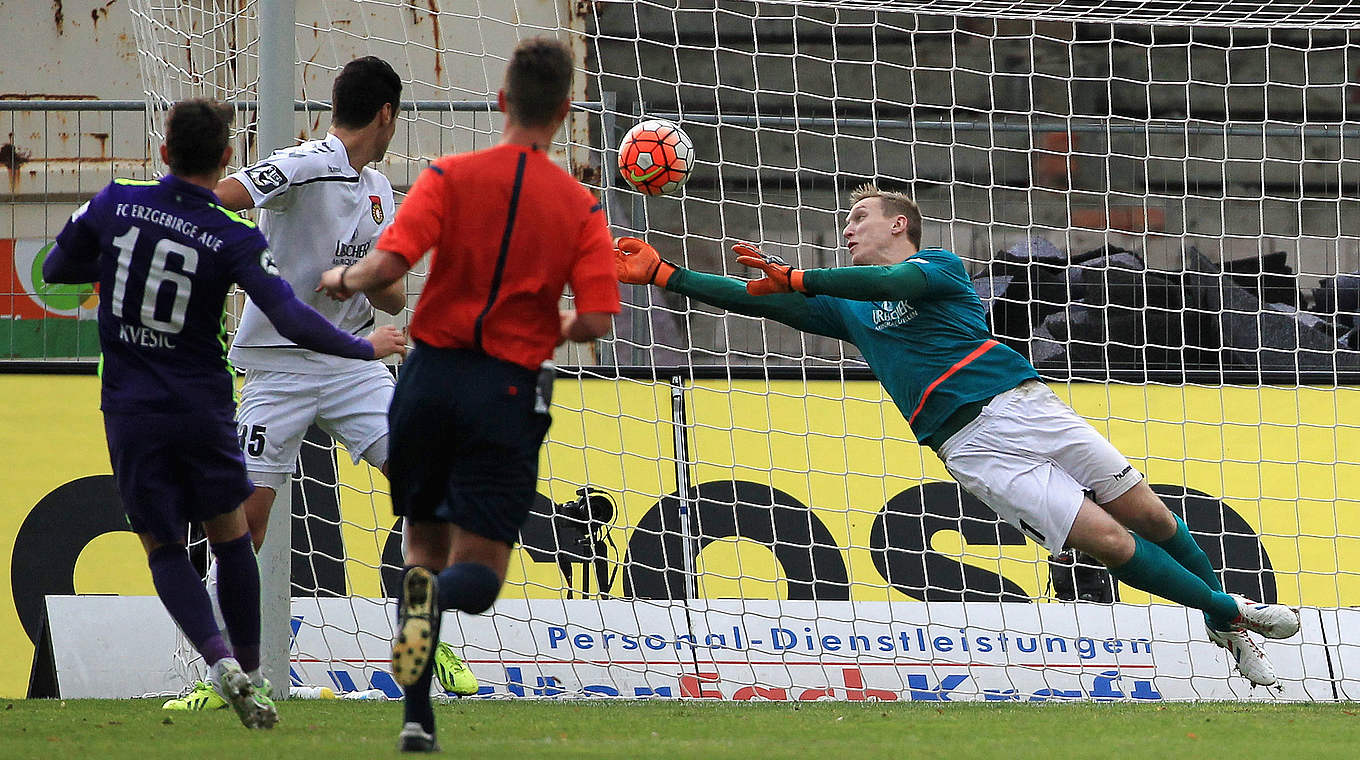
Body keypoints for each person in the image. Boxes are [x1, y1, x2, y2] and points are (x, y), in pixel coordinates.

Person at [613, 183, 1302, 689]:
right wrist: (666, 273)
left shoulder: (937, 267)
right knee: (1111, 543)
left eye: (859, 218)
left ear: (899, 224)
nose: (847, 229)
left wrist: (800, 274)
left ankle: (1222, 621)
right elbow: (756, 298)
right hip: (971, 448)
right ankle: (1229, 610)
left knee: (1150, 514)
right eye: (845, 222)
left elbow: (888, 278)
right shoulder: (850, 308)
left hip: (1024, 404)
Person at [42, 98, 406, 728]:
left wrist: (112, 265)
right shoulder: (233, 235)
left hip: (130, 406)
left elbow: (55, 269)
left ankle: (219, 660)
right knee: (235, 534)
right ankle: (252, 671)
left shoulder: (114, 202)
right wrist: (359, 344)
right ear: (228, 158)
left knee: (164, 548)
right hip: (208, 401)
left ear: (161, 152)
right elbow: (289, 313)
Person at [317, 36, 619, 752]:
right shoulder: (579, 206)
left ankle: (416, 718)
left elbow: (390, 259)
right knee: (478, 576)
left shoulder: (448, 176)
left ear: (502, 101)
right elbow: (600, 320)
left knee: (421, 545)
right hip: (504, 389)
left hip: (427, 380)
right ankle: (437, 604)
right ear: (567, 109)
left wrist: (343, 281)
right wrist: (556, 320)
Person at [159, 56, 475, 712]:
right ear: (386, 114)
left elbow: (387, 299)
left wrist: (396, 276)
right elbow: (222, 195)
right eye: (396, 118)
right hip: (277, 364)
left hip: (354, 363)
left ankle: (426, 633)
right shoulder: (304, 163)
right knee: (245, 520)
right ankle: (226, 672)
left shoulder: (381, 191)